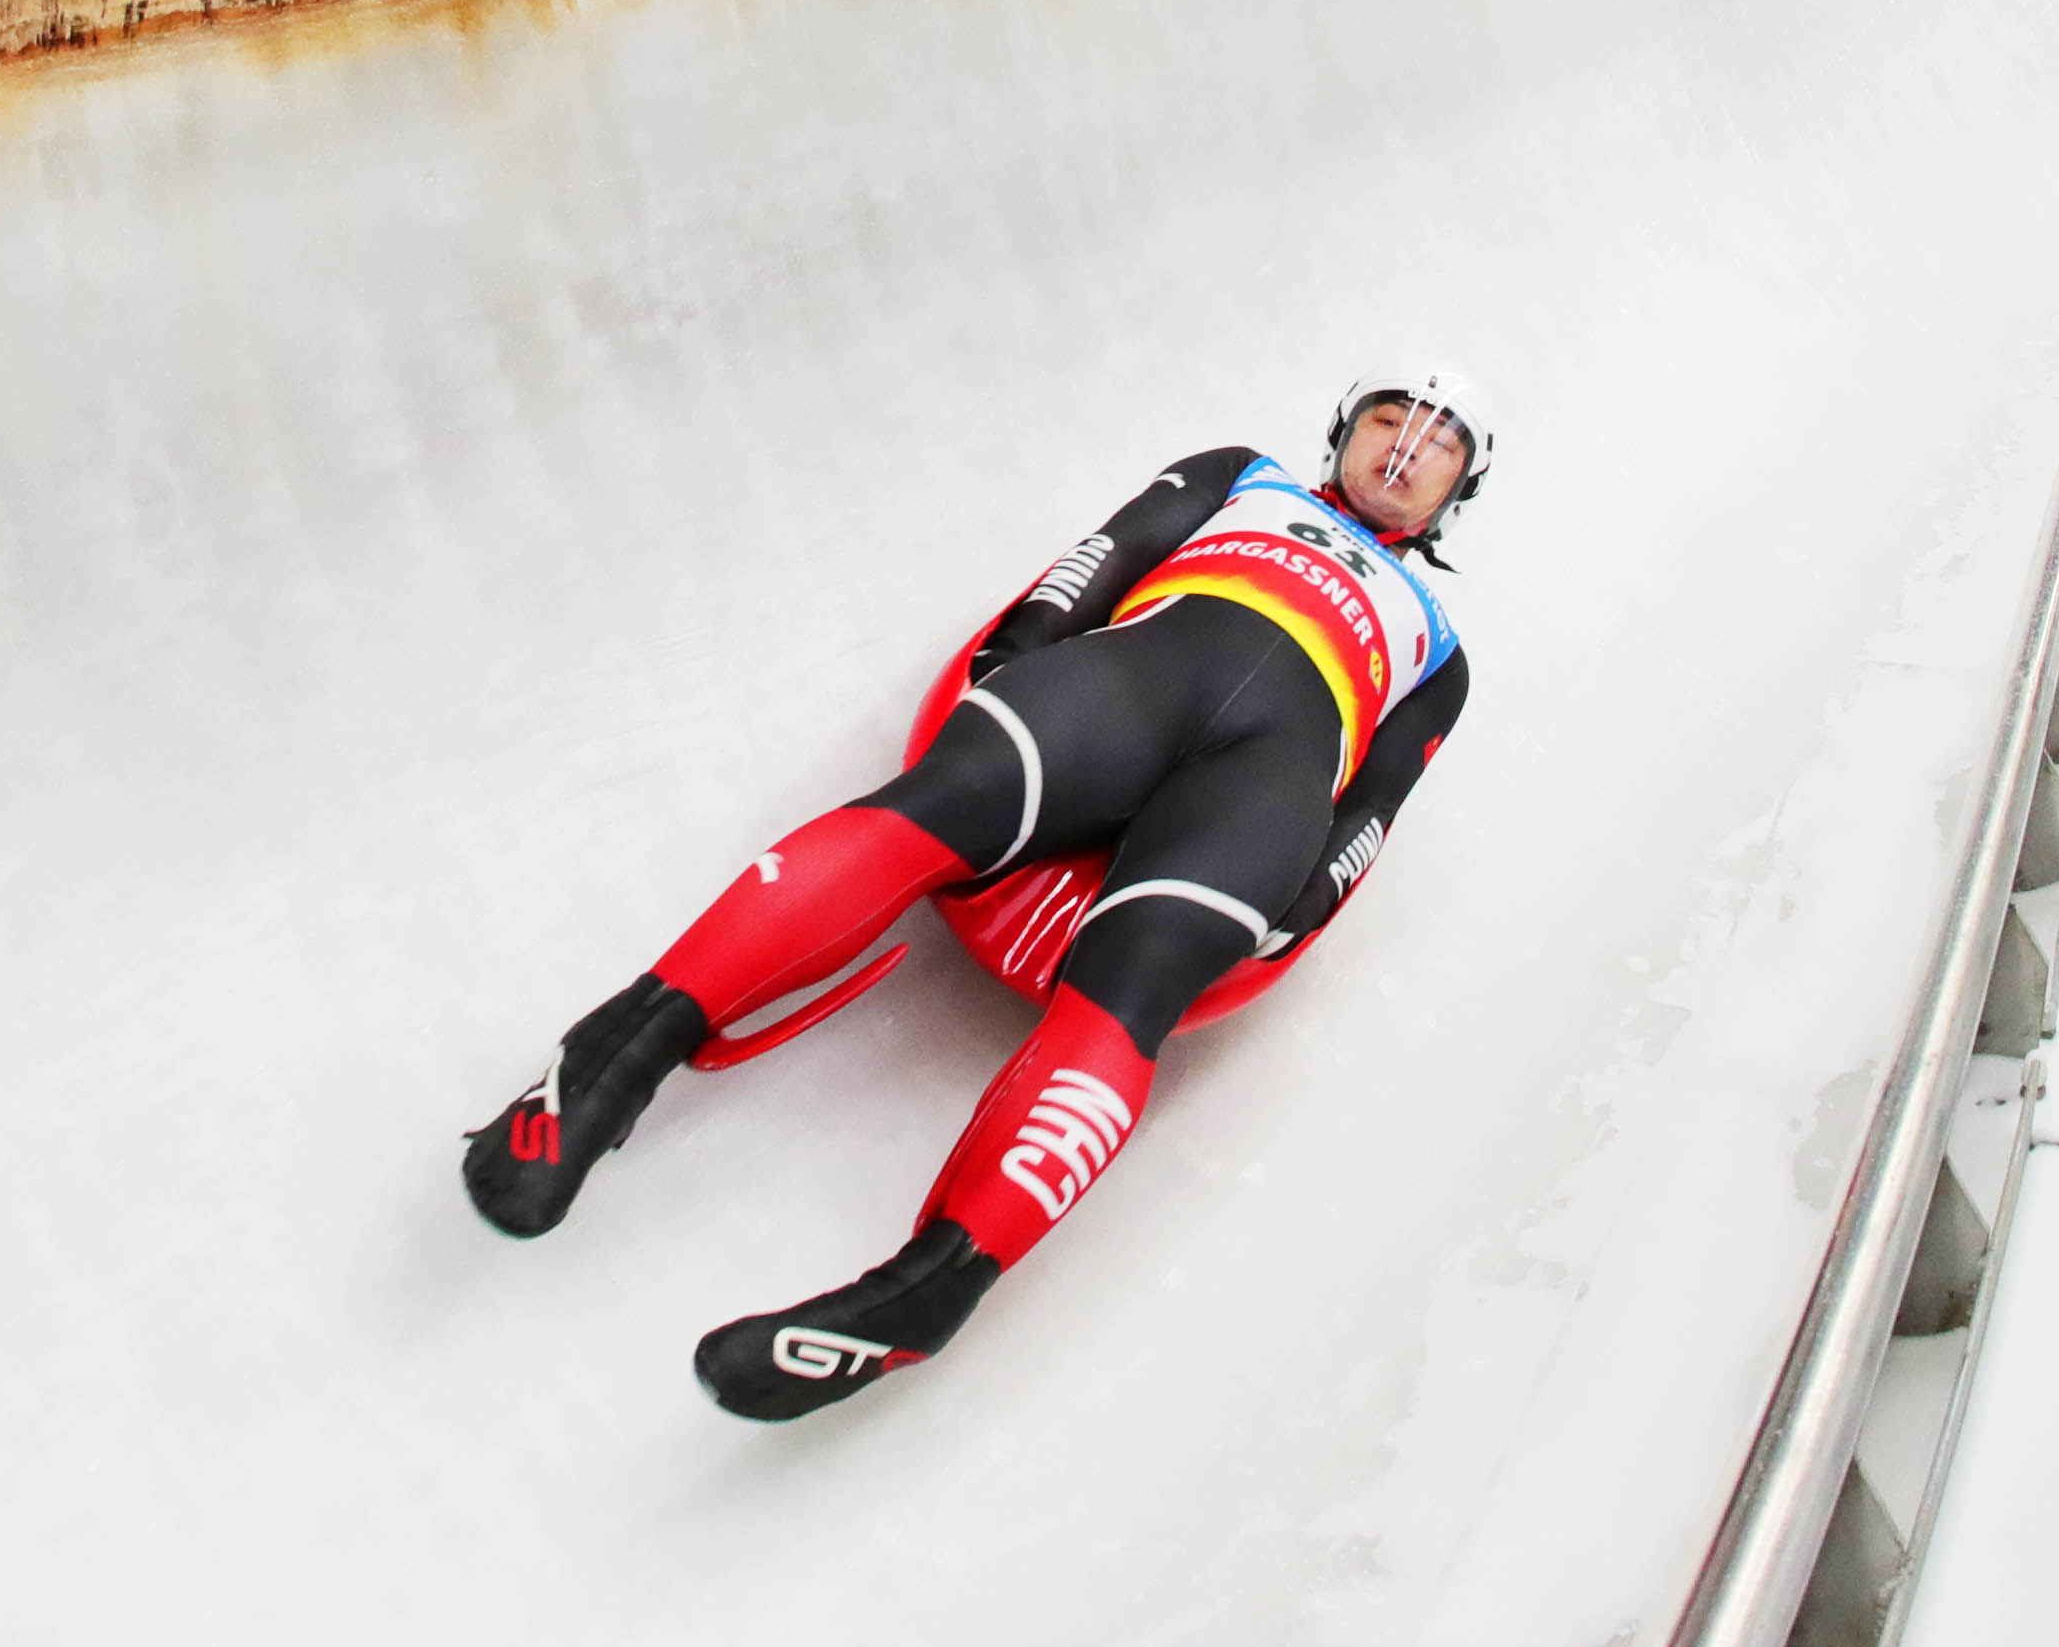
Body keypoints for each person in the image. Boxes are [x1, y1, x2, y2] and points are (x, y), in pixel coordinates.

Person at [464, 372, 1493, 1419]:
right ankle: (599, 1073)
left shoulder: (1441, 656)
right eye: (1387, 419)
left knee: (1137, 990)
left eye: (1439, 443)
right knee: (932, 804)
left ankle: (924, 1293)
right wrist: (1028, 642)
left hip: (1266, 777)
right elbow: (1112, 550)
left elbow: (1375, 803)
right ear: (1340, 432)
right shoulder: (1247, 478)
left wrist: (1306, 898)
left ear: (1459, 489)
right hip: (1136, 677)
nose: (1406, 447)